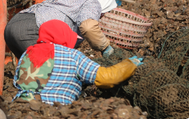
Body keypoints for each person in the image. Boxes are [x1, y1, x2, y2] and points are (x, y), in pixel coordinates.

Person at [12, 20, 143, 105]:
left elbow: (18, 82)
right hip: (54, 113)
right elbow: (107, 78)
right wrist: (131, 64)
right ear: (64, 36)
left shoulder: (26, 54)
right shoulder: (72, 56)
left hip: (21, 108)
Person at [5, 0, 118, 59]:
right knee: (51, 76)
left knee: (33, 77)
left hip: (13, 25)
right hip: (31, 31)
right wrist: (105, 47)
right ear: (105, 2)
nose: (102, 15)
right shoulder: (93, 1)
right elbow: (88, 27)